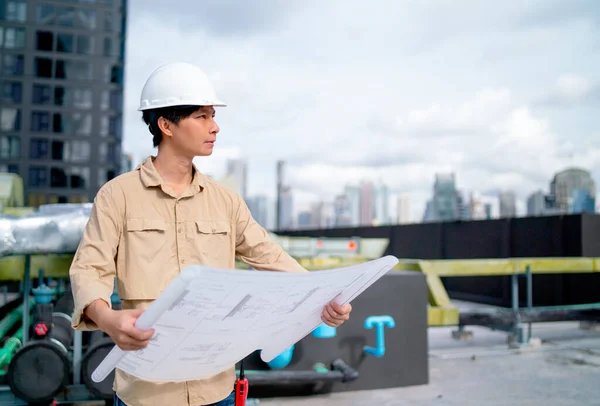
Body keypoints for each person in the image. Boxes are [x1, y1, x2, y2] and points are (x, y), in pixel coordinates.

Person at [69, 62, 352, 406]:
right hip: (147, 390)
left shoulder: (225, 200)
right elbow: (89, 268)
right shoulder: (118, 196)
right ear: (165, 125)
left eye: (213, 116)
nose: (215, 127)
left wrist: (321, 297)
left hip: (216, 386)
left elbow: (267, 254)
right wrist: (107, 318)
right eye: (202, 116)